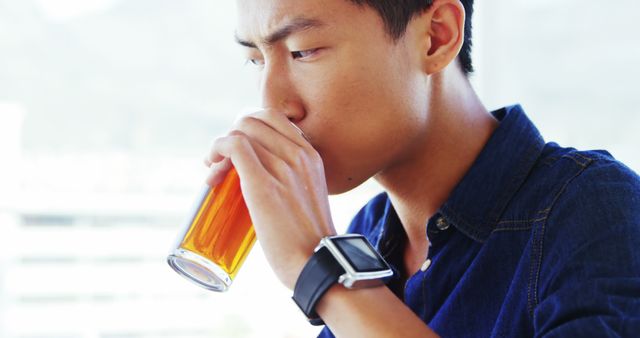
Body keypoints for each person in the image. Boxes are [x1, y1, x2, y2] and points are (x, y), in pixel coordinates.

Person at [204, 0, 640, 336]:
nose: (273, 103)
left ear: (436, 37)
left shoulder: (597, 210)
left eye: (303, 52)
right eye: (257, 60)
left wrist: (321, 268)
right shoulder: (370, 234)